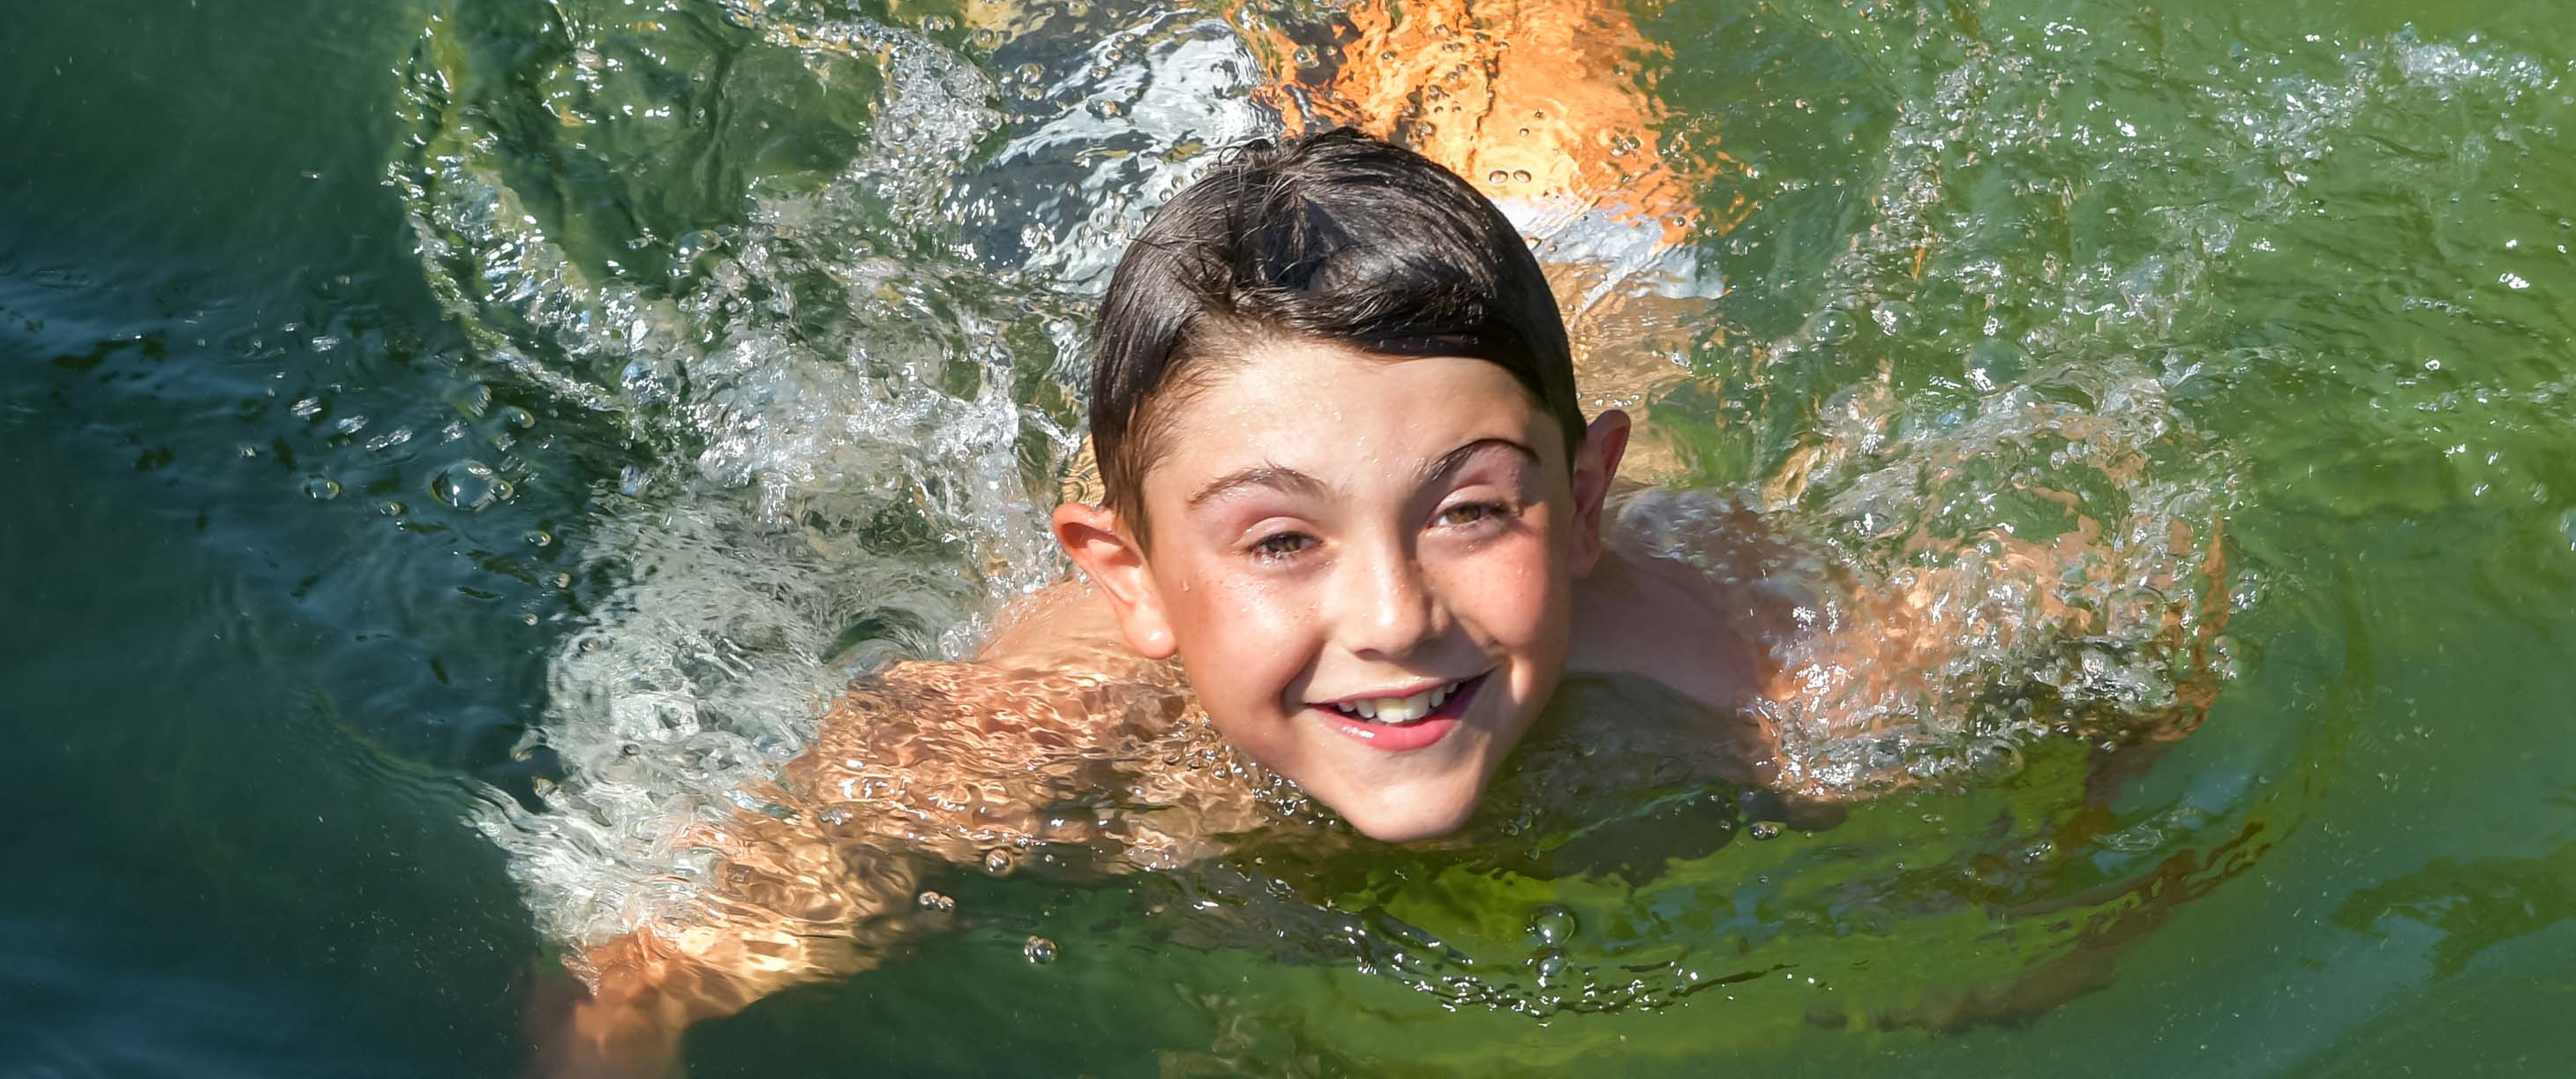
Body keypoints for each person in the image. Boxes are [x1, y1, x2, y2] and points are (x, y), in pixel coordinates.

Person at [529, 131, 2224, 1074]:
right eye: (1278, 545)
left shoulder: (1747, 665)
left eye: (1471, 514)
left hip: (1581, 224)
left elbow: (2115, 625)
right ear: (1124, 580)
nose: (1395, 613)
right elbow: (640, 979)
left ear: (1581, 505)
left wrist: (2051, 903)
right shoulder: (1023, 738)